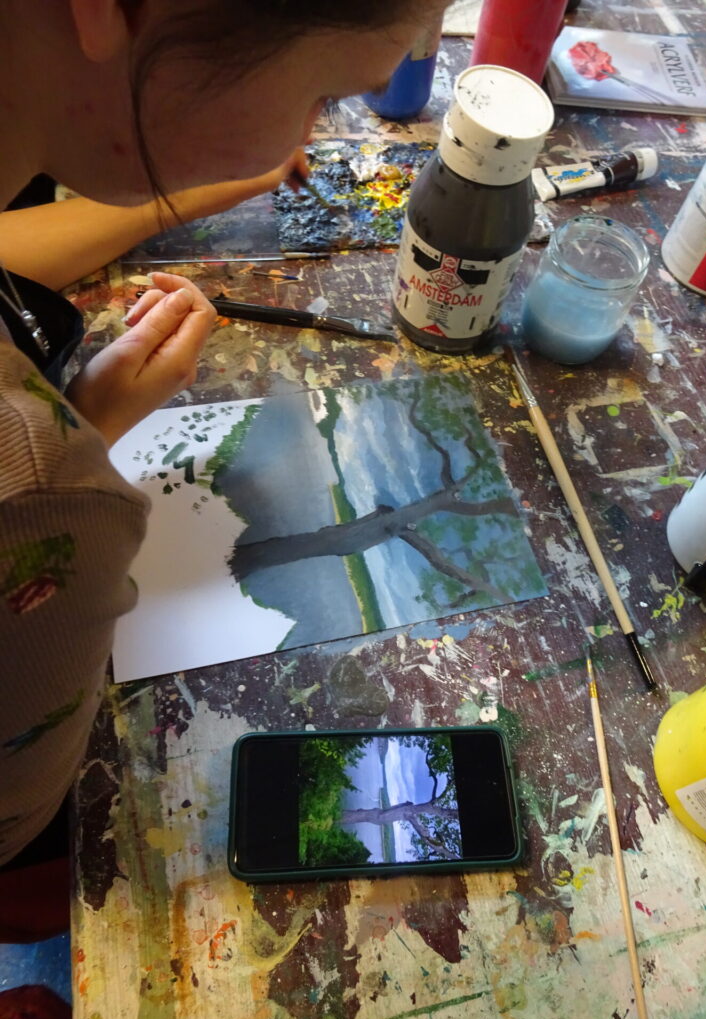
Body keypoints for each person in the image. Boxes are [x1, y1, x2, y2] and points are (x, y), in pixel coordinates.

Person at [0, 0, 447, 946]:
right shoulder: (47, 507)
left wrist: (85, 414)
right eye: (328, 95)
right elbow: (15, 822)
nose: (313, 135)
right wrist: (69, 450)